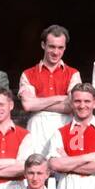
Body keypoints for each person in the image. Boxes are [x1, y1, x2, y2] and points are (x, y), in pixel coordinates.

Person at [16, 24, 79, 155]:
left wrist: (37, 103)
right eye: (52, 46)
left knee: (65, 167)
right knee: (36, 168)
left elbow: (71, 106)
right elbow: (28, 105)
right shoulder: (28, 74)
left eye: (60, 47)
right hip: (37, 126)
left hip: (65, 124)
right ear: (43, 45)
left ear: (65, 47)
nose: (56, 52)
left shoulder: (73, 73)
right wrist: (59, 98)